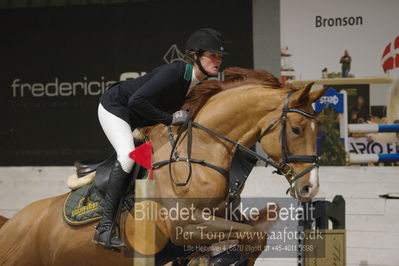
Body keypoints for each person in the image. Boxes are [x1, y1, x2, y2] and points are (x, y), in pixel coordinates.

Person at [92, 28, 227, 249]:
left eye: (220, 56)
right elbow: (136, 101)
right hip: (115, 107)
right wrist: (169, 119)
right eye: (212, 55)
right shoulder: (176, 72)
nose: (218, 60)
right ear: (195, 56)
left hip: (136, 117)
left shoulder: (194, 82)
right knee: (127, 157)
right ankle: (104, 228)